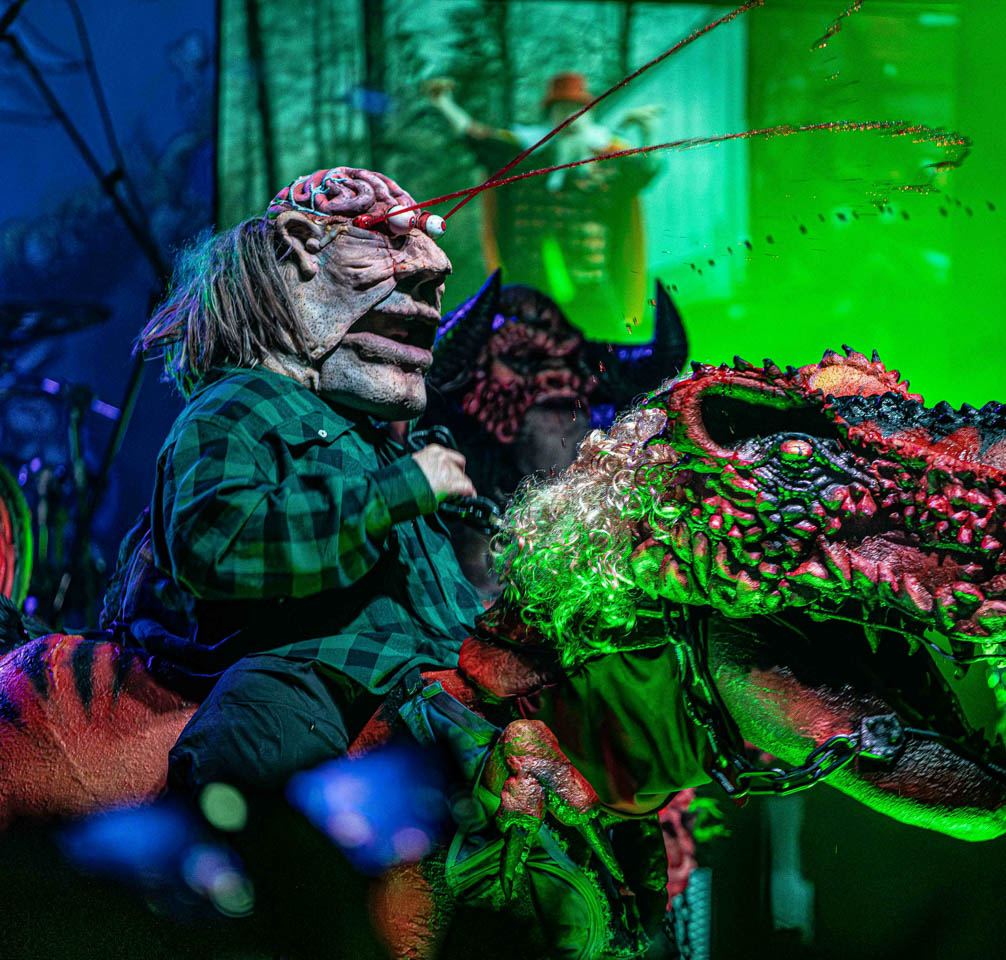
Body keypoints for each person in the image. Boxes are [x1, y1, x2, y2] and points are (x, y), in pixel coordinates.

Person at [136, 166, 483, 796]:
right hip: (311, 673)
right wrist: (394, 493)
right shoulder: (237, 404)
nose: (435, 269)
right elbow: (216, 539)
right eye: (388, 244)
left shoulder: (372, 435)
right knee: (259, 738)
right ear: (299, 246)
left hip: (432, 677)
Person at [427, 72, 661, 338]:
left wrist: (648, 132)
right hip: (531, 284)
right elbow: (479, 138)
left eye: (576, 109)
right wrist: (445, 104)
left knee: (612, 350)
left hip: (589, 284)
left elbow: (644, 172)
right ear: (550, 115)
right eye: (562, 109)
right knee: (520, 351)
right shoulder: (524, 156)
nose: (569, 118)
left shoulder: (609, 162)